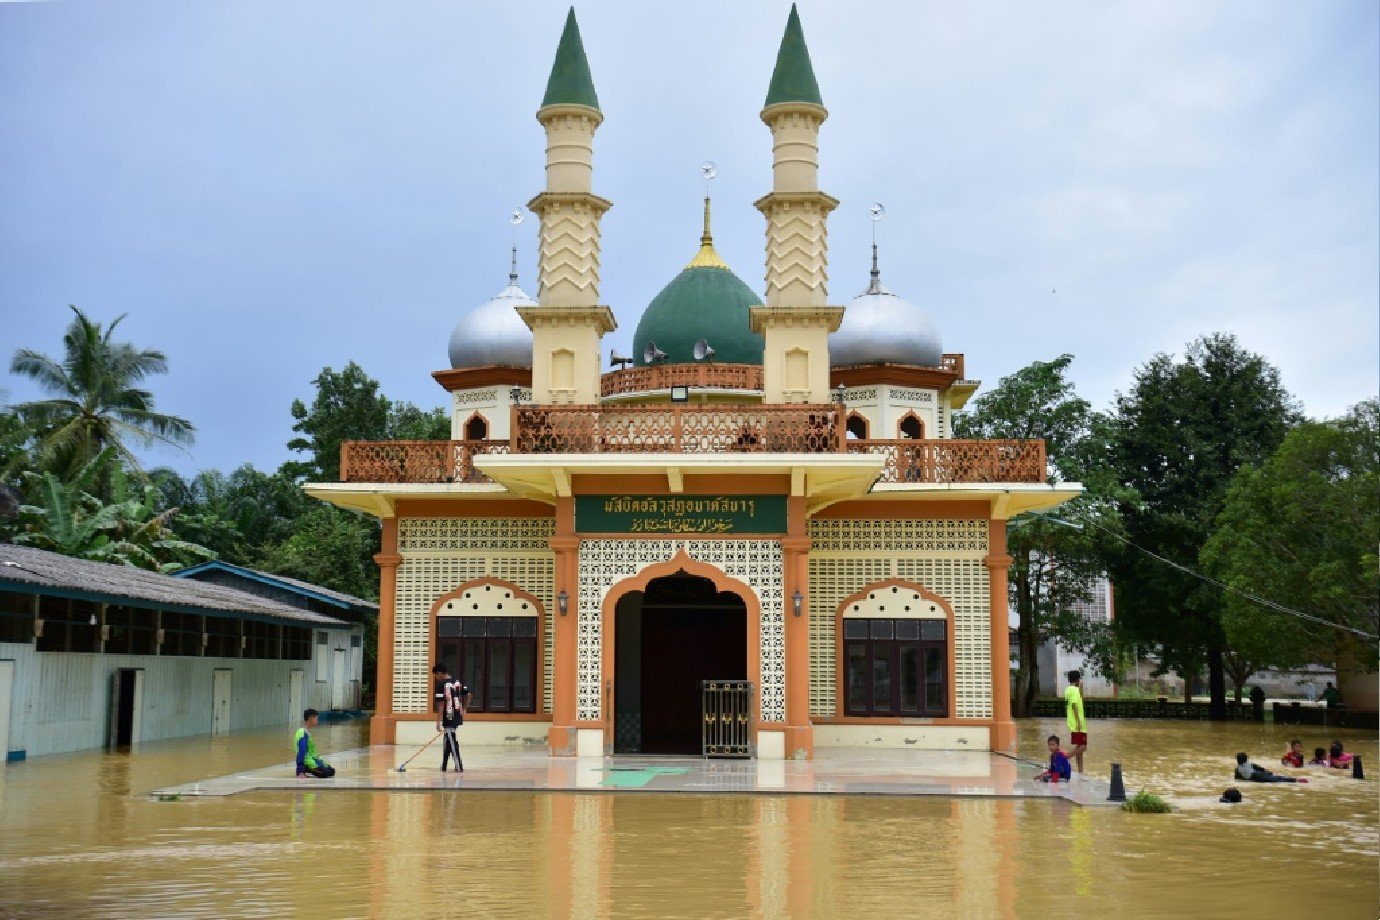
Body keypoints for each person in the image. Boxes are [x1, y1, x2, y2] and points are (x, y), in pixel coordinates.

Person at [432, 662, 471, 773]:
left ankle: (459, 766)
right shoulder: (458, 682)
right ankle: (444, 765)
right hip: (457, 715)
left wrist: (438, 721)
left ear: (439, 673)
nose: (436, 678)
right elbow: (468, 695)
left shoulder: (441, 685)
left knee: (451, 739)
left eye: (435, 675)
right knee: (448, 738)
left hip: (448, 715)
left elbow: (440, 704)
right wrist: (464, 708)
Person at [295, 709, 335, 778]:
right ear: (311, 718)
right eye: (316, 717)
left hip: (313, 760)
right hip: (307, 762)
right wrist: (300, 771)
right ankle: (305, 769)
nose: (317, 719)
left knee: (331, 771)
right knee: (325, 773)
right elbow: (301, 752)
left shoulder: (306, 733)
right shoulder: (302, 733)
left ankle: (309, 769)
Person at [1064, 670, 1086, 773]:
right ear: (1077, 680)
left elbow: (1079, 700)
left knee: (1079, 747)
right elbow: (1074, 706)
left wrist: (1081, 690)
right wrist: (1078, 721)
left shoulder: (1069, 690)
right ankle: (1065, 756)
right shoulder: (1074, 690)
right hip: (1078, 723)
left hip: (1074, 722)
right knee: (1083, 747)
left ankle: (1081, 772)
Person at [1235, 752, 1305, 784]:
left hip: (1256, 777)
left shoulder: (1237, 769)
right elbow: (1260, 768)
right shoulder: (1250, 764)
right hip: (1258, 774)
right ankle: (1296, 780)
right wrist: (1268, 771)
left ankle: (1296, 780)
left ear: (1238, 761)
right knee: (1277, 778)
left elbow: (1237, 778)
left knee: (1277, 780)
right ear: (1246, 759)